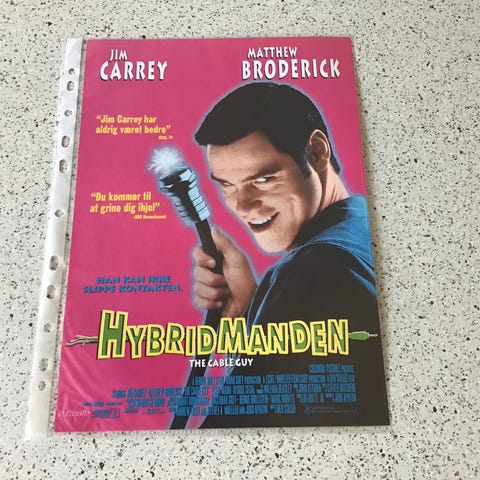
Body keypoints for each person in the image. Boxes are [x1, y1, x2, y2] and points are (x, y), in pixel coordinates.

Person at [192, 82, 388, 427]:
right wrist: (250, 310)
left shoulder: (313, 272)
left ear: (316, 153)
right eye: (226, 184)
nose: (242, 206)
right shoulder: (363, 225)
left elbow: (236, 434)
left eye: (263, 179)